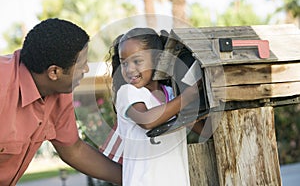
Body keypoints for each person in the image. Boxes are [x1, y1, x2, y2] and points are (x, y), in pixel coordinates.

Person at [0, 18, 121, 186]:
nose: (86, 69)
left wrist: (133, 178)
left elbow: (74, 150)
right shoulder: (3, 83)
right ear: (54, 72)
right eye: (81, 65)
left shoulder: (59, 92)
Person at [109, 27, 203, 186]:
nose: (129, 69)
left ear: (158, 59)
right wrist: (188, 96)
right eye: (124, 63)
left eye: (137, 61)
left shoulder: (171, 94)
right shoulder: (128, 92)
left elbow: (202, 130)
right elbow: (147, 120)